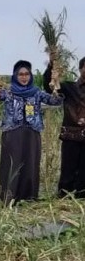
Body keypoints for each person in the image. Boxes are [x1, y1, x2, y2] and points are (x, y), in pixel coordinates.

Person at [0, 60, 62, 203]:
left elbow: (55, 102)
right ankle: (9, 197)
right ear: (15, 76)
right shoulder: (8, 91)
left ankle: (28, 197)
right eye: (21, 74)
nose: (24, 77)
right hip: (12, 132)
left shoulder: (37, 92)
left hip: (32, 132)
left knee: (31, 163)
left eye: (27, 74)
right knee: (12, 163)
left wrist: (56, 85)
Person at [43, 57, 85, 198]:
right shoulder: (68, 87)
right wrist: (52, 66)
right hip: (71, 135)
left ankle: (81, 196)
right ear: (80, 69)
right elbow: (49, 87)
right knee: (68, 166)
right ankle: (64, 195)